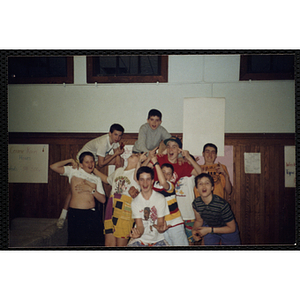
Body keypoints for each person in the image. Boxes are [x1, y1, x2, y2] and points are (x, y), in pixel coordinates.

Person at [56, 123, 125, 229]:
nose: (118, 138)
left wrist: (118, 157)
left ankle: (115, 183)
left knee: (121, 160)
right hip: (84, 161)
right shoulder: (103, 142)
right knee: (73, 190)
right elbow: (101, 164)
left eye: (120, 135)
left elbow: (117, 161)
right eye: (115, 135)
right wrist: (116, 155)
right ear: (110, 133)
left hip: (94, 161)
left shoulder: (115, 142)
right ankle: (63, 215)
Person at [50, 151, 106, 246]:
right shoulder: (74, 171)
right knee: (76, 244)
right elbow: (53, 167)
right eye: (87, 162)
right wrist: (70, 160)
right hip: (77, 214)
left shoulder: (97, 179)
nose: (90, 164)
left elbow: (103, 200)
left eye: (92, 161)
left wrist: (91, 189)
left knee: (94, 244)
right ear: (81, 164)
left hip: (92, 215)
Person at [93, 153, 141, 247]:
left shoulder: (138, 173)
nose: (133, 154)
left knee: (120, 243)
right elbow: (107, 180)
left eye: (137, 155)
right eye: (134, 153)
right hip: (111, 204)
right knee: (109, 242)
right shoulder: (119, 170)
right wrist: (93, 169)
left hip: (125, 208)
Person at [150, 154, 189, 246]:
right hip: (161, 224)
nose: (164, 175)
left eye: (168, 174)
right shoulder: (154, 185)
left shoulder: (170, 185)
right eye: (163, 172)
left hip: (174, 223)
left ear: (172, 177)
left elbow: (163, 182)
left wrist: (156, 163)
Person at [192, 173, 241, 245]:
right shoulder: (196, 203)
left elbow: (232, 228)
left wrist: (209, 230)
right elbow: (199, 221)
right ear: (197, 189)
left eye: (207, 183)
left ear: (212, 187)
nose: (204, 186)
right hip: (210, 226)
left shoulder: (222, 204)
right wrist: (193, 231)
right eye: (200, 184)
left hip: (227, 229)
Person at [127, 166, 170, 247]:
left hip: (158, 240)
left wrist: (161, 228)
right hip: (139, 240)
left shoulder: (160, 198)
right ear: (138, 181)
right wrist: (138, 234)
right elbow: (140, 225)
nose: (145, 183)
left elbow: (160, 222)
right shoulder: (135, 202)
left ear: (153, 181)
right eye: (142, 179)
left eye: (148, 179)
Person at [175, 155, 197, 245]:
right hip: (176, 215)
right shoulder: (175, 174)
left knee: (190, 241)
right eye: (183, 160)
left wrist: (192, 161)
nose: (184, 162)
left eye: (187, 161)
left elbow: (199, 171)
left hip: (189, 215)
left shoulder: (192, 176)